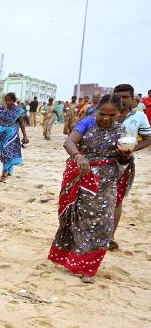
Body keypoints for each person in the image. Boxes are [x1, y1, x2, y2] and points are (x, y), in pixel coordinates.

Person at [48, 95, 137, 283]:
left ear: (119, 114)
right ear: (96, 110)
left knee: (102, 223)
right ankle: (72, 260)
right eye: (102, 114)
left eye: (111, 115)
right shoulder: (87, 123)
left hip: (106, 181)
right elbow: (69, 142)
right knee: (77, 220)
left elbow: (123, 159)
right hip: (82, 177)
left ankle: (88, 268)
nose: (106, 118)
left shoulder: (121, 130)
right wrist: (79, 157)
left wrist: (125, 156)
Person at [110, 84, 151, 251]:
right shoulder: (105, 113)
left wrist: (132, 149)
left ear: (132, 98)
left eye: (125, 96)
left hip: (123, 163)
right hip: (100, 162)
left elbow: (148, 139)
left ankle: (110, 236)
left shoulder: (139, 117)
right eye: (118, 96)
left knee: (117, 200)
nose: (122, 100)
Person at [0, 92, 28, 182]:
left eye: (10, 100)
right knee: (3, 152)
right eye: (6, 100)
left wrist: (25, 135)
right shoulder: (1, 109)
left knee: (7, 151)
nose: (8, 102)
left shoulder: (18, 110)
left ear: (14, 101)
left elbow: (22, 123)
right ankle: (8, 170)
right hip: (1, 133)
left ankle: (4, 173)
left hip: (12, 132)